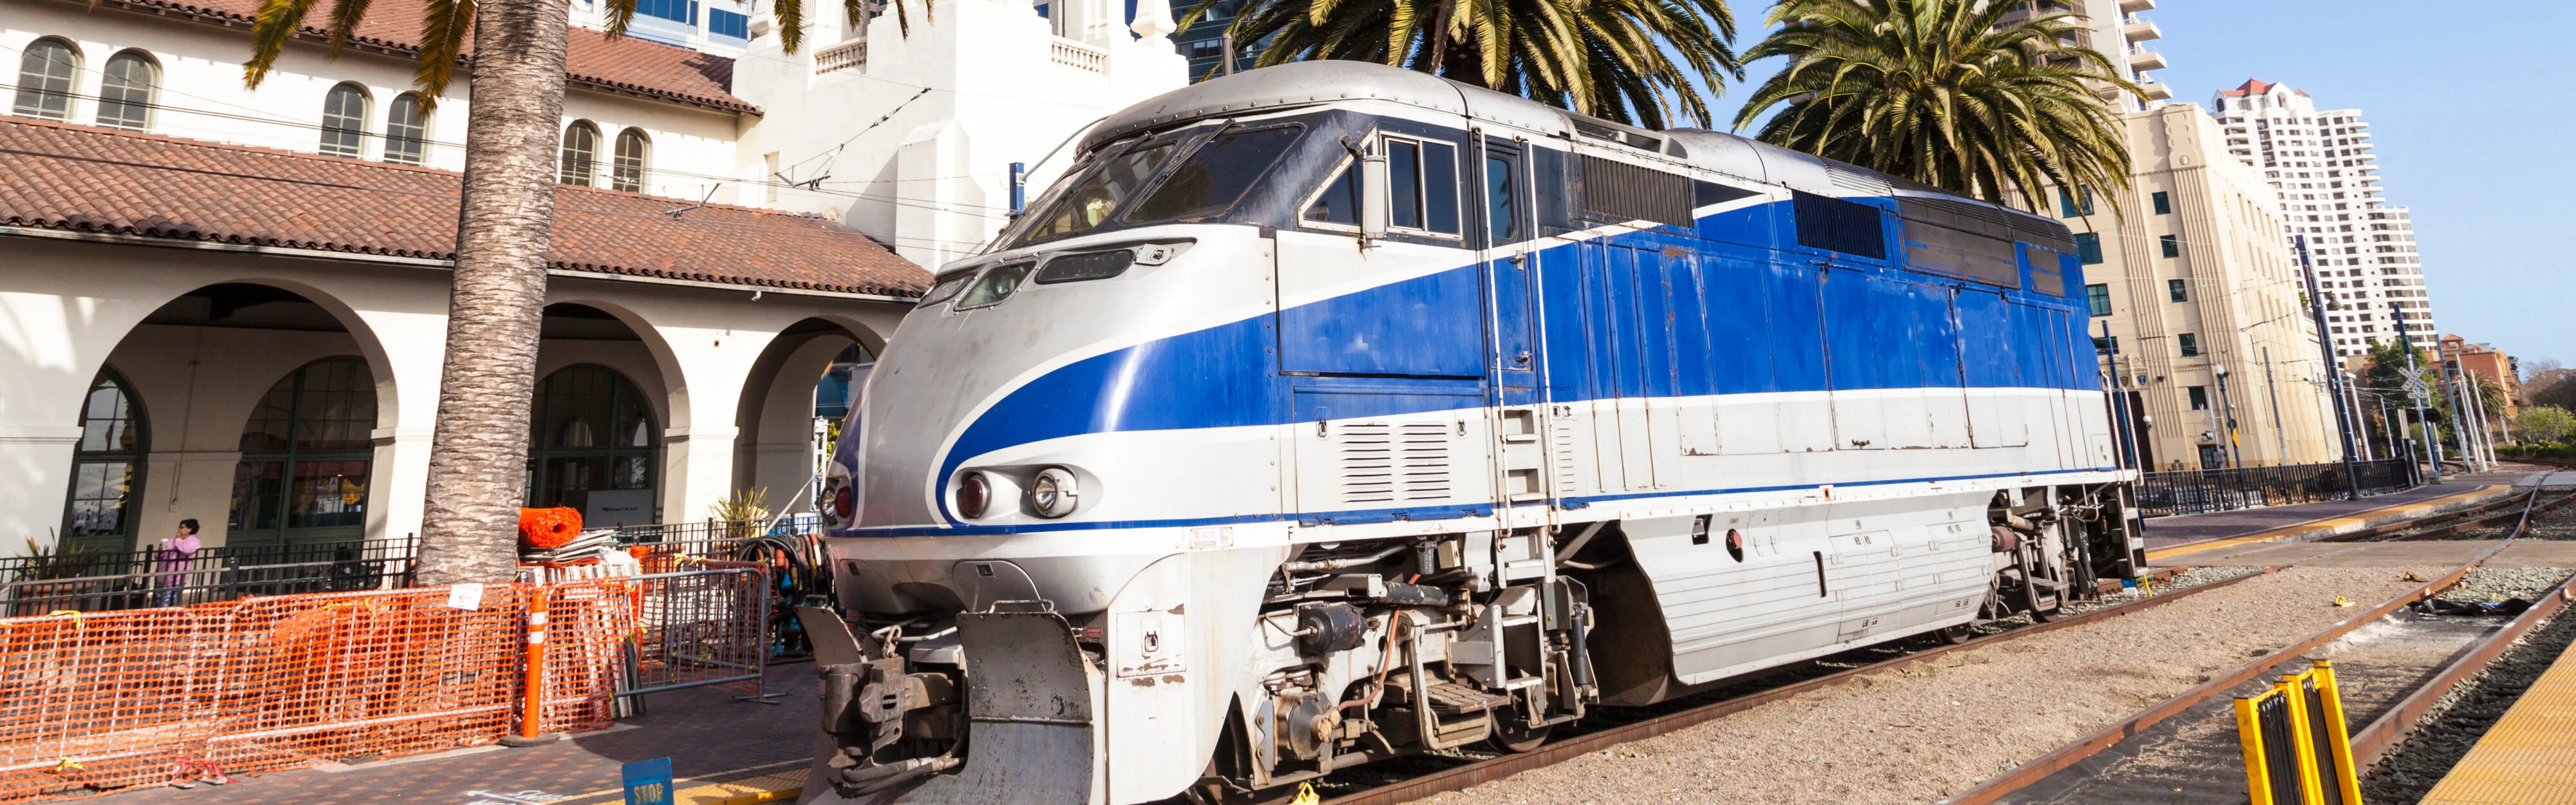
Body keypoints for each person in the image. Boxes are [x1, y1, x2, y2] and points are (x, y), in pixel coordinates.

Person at [153, 520, 200, 607]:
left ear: (190, 529)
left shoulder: (194, 542)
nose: (179, 529)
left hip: (176, 578)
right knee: (158, 603)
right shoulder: (172, 541)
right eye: (179, 527)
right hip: (163, 575)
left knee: (167, 603)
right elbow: (158, 556)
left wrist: (178, 540)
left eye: (182, 527)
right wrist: (160, 550)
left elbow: (186, 550)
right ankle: (161, 619)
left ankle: (166, 620)